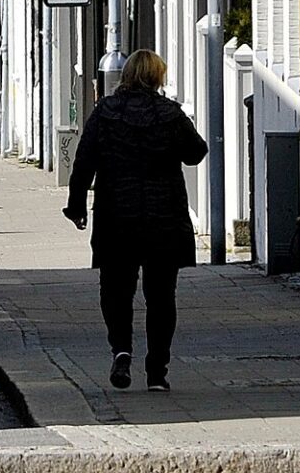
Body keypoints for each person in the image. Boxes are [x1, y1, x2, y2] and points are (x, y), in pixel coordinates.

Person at [64, 50, 207, 393]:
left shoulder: (105, 113)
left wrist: (76, 206)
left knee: (115, 290)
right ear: (158, 77)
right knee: (161, 296)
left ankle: (122, 350)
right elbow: (196, 152)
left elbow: (83, 163)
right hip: (164, 219)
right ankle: (157, 370)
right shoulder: (169, 113)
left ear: (125, 76)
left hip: (117, 217)